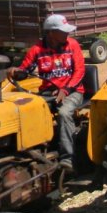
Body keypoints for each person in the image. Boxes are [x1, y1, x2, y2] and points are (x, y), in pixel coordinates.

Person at [7, 14, 85, 172]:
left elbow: (80, 71)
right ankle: (35, 150)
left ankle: (68, 157)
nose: (67, 34)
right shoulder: (37, 49)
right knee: (28, 110)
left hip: (73, 91)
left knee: (64, 113)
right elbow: (25, 71)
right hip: (47, 92)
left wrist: (66, 89)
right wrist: (15, 72)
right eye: (63, 31)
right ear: (51, 33)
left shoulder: (73, 45)